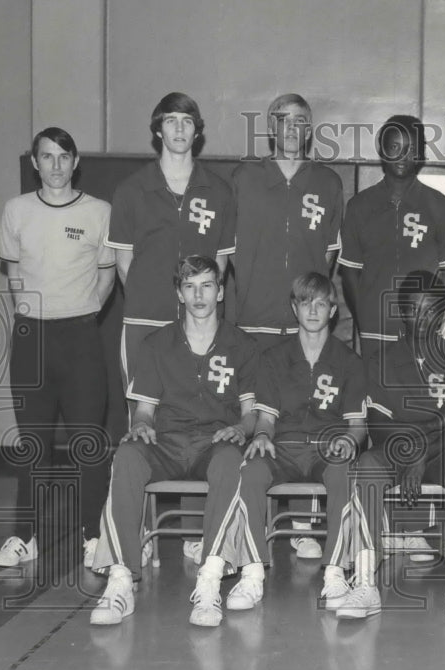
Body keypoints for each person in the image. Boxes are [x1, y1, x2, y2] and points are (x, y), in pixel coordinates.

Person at [89, 256, 258, 627]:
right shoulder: (156, 343)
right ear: (179, 294)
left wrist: (243, 430)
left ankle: (210, 580)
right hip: (166, 441)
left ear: (220, 292)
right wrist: (142, 425)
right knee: (128, 455)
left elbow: (250, 412)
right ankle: (121, 579)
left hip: (215, 441)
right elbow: (144, 410)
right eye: (190, 287)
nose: (199, 295)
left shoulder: (242, 344)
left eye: (207, 286)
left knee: (233, 461)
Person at [106, 91, 237, 564]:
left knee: (197, 418)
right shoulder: (131, 189)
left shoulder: (218, 190)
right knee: (141, 425)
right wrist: (157, 303)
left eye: (188, 121)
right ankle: (137, 538)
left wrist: (193, 308)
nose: (179, 129)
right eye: (171, 121)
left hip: (199, 322)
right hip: (145, 320)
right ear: (158, 129)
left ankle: (189, 533)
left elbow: (220, 263)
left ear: (197, 130)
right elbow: (123, 263)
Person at [0, 127, 116, 568]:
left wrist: (83, 312)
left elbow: (106, 275)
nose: (56, 165)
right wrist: (31, 312)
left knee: (88, 442)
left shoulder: (99, 212)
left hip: (80, 338)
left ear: (76, 161)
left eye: (64, 156)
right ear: (35, 162)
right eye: (47, 157)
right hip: (32, 339)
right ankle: (24, 537)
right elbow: (14, 270)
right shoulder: (16, 210)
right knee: (31, 445)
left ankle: (94, 536)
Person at [336, 271, 445, 620]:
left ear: (443, 312)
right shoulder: (379, 359)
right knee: (366, 466)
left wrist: (427, 448)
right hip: (395, 446)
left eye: (431, 309)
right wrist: (415, 449)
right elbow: (378, 424)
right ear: (403, 313)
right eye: (414, 309)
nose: (422, 317)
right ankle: (365, 583)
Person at [237, 272, 367, 606]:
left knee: (344, 470)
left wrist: (351, 441)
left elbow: (357, 424)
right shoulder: (273, 358)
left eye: (321, 303)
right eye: (305, 303)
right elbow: (265, 419)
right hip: (285, 447)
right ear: (294, 308)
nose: (312, 311)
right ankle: (252, 573)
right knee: (250, 467)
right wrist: (263, 436)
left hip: (328, 447)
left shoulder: (350, 361)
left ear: (333, 310)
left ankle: (335, 572)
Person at [339, 115, 445, 362]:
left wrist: (434, 315)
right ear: (382, 150)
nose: (403, 155)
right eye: (395, 147)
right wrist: (364, 313)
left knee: (416, 393)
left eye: (411, 149)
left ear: (421, 155)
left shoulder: (439, 206)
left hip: (422, 325)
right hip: (375, 325)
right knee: (376, 390)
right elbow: (350, 271)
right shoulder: (360, 206)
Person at [230, 93, 343, 348]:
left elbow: (328, 255)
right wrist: (255, 283)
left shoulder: (328, 183)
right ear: (271, 128)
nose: (292, 127)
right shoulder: (245, 179)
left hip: (307, 324)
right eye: (284, 120)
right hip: (254, 320)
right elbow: (232, 250)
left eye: (300, 121)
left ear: (309, 130)